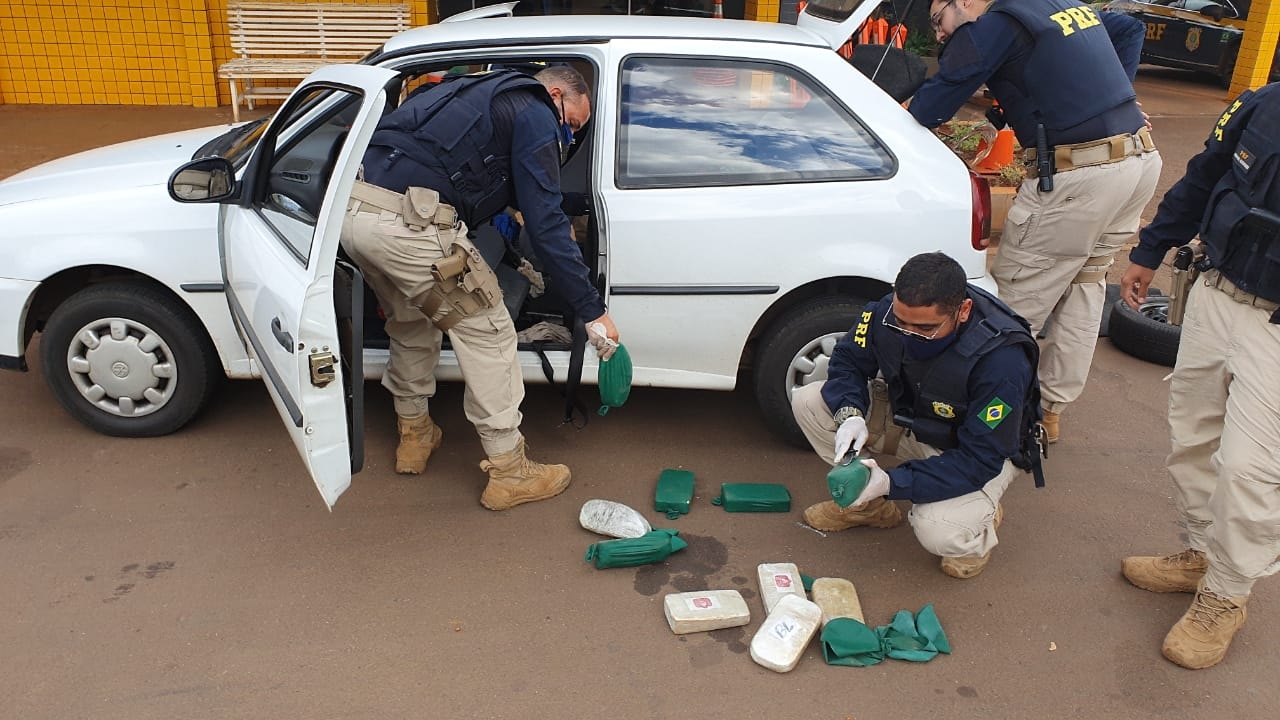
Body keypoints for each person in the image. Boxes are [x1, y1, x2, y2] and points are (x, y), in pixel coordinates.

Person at [340, 65, 620, 511]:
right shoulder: (536, 111)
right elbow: (545, 223)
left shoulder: (471, 91)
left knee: (412, 318)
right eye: (572, 123)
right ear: (555, 93)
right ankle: (510, 472)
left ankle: (414, 436)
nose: (568, 134)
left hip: (355, 212)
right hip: (412, 225)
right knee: (489, 332)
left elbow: (467, 168)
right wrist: (591, 308)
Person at [908, 0, 1162, 444]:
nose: (940, 34)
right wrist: (1118, 98)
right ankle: (1049, 410)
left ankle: (988, 418)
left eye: (937, 20)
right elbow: (1126, 29)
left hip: (1079, 177)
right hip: (1136, 161)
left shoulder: (996, 24)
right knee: (1084, 285)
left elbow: (930, 108)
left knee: (1015, 303)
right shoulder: (1057, 5)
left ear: (964, 2)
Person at [1118, 83, 1280, 670]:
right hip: (1216, 292)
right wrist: (1151, 249)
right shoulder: (1264, 103)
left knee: (1250, 469)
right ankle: (1201, 554)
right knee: (1194, 436)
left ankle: (1227, 594)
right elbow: (1206, 175)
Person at [793, 252, 1041, 579]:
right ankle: (869, 509)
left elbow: (979, 459)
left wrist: (891, 482)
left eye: (924, 328)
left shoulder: (1002, 363)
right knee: (810, 400)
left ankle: (976, 529)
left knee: (939, 528)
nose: (908, 333)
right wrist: (850, 413)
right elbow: (848, 362)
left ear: (963, 311)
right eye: (901, 322)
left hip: (973, 450)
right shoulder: (887, 312)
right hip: (914, 419)